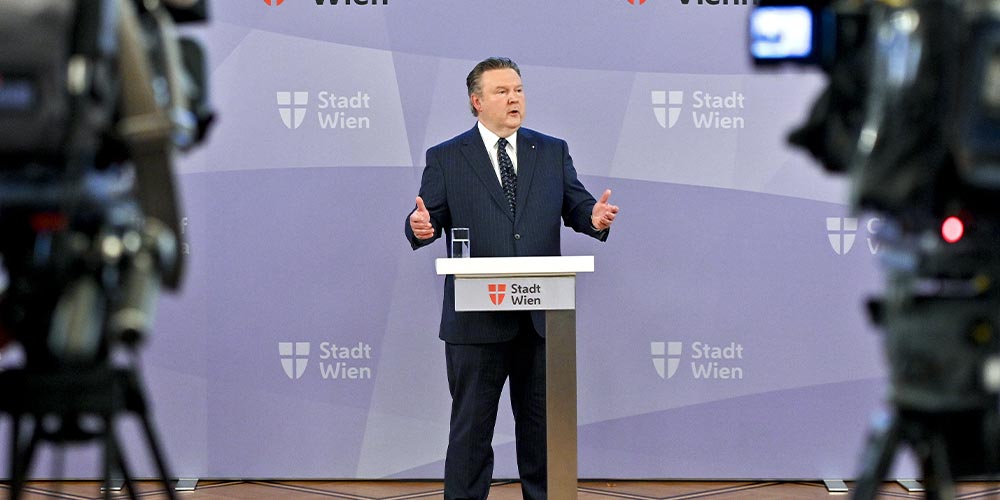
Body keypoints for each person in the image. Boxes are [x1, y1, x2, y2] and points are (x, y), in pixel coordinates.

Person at [404, 57, 619, 500]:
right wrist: (419, 227)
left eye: (518, 89)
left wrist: (594, 217)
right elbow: (429, 217)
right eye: (502, 91)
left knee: (542, 435)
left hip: (540, 322)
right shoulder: (446, 157)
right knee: (470, 434)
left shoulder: (552, 150)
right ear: (477, 102)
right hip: (475, 322)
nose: (514, 98)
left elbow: (577, 205)